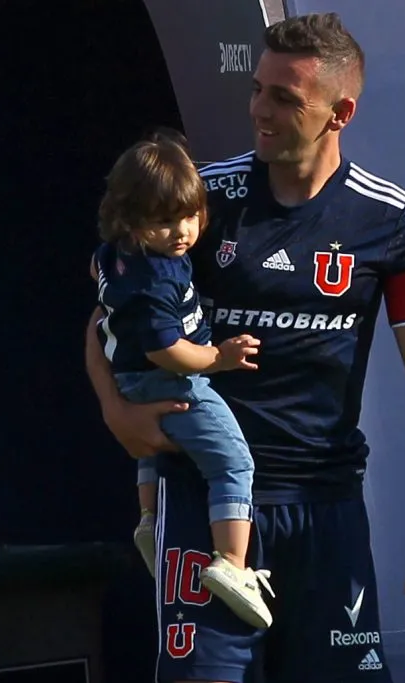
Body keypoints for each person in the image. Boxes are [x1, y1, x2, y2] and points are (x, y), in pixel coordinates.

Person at [84, 13, 405, 683]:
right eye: (258, 88)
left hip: (326, 509)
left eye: (284, 98)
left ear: (339, 112)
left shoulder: (388, 219)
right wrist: (117, 410)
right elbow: (108, 319)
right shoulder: (204, 201)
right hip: (205, 503)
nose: (260, 109)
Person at [91, 134, 271, 628]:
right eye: (165, 221)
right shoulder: (155, 279)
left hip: (131, 379)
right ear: (131, 221)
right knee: (233, 462)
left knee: (154, 452)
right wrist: (218, 358)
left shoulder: (114, 255)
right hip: (168, 383)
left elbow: (98, 275)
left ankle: (149, 521)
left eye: (189, 217)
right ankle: (233, 564)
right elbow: (166, 351)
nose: (182, 232)